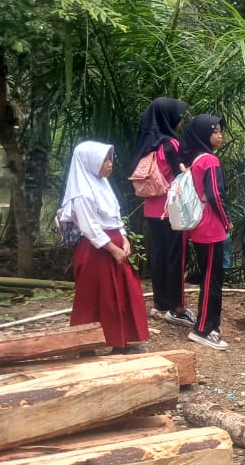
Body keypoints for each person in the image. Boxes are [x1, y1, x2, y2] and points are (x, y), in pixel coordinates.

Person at [61, 141, 149, 354]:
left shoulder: (103, 185)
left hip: (114, 244)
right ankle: (86, 347)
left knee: (122, 293)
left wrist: (124, 238)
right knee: (95, 298)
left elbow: (114, 216)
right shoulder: (82, 193)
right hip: (96, 251)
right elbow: (90, 228)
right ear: (90, 162)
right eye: (104, 160)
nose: (110, 164)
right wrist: (113, 249)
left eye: (110, 159)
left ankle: (121, 342)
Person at [131, 97, 192, 328]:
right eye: (179, 117)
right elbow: (182, 175)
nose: (180, 121)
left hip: (151, 209)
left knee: (158, 255)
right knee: (175, 257)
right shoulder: (171, 144)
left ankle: (160, 302)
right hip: (171, 210)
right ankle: (177, 307)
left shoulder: (146, 144)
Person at [182, 114, 232, 351]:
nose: (220, 136)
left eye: (220, 131)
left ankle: (210, 325)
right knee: (212, 280)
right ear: (204, 134)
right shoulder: (210, 160)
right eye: (215, 132)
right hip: (211, 227)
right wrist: (226, 221)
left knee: (210, 277)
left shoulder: (195, 159)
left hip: (199, 226)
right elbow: (215, 195)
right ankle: (203, 329)